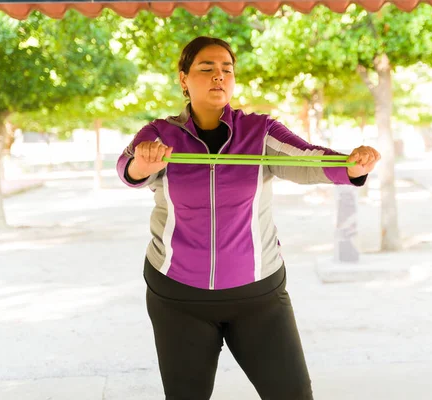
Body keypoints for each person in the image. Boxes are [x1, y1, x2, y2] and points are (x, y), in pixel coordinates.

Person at [116, 36, 381, 400]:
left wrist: (350, 166)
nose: (218, 77)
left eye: (227, 69)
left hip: (258, 297)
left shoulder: (259, 132)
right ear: (183, 79)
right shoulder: (161, 135)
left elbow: (304, 158)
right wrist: (141, 164)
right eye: (206, 69)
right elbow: (128, 168)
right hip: (178, 299)